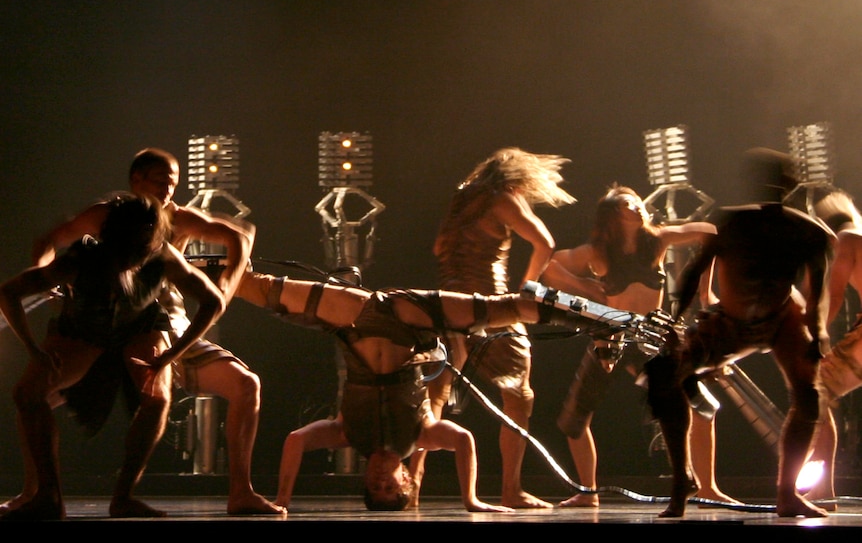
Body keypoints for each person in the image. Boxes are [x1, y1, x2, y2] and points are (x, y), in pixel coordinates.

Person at [9, 147, 283, 517]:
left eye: (173, 182)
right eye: (160, 181)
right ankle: (41, 493)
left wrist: (219, 299)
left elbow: (234, 250)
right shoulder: (97, 233)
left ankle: (148, 494)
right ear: (136, 181)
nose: (168, 188)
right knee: (30, 394)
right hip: (91, 331)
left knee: (184, 391)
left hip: (152, 327)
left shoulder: (168, 244)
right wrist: (44, 314)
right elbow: (33, 263)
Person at [234, 269, 593, 512]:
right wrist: (471, 499)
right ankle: (597, 317)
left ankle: (196, 259)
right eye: (390, 488)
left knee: (259, 288)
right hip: (410, 320)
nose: (379, 481)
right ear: (406, 477)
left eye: (373, 488)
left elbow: (296, 440)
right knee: (503, 307)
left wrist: (282, 497)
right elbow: (464, 440)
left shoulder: (348, 434)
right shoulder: (421, 435)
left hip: (356, 316)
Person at [0, 194, 226, 521]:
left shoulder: (162, 255)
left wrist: (171, 356)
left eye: (142, 249)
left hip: (138, 327)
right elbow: (9, 292)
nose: (135, 258)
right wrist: (33, 349)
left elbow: (212, 301)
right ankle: (48, 495)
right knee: (26, 394)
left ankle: (123, 497)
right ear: (114, 241)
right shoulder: (81, 259)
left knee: (158, 398)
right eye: (129, 250)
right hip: (84, 329)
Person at [642, 148, 835, 518]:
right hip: (729, 322)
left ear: (788, 187)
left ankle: (787, 492)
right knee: (664, 371)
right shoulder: (734, 224)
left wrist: (817, 333)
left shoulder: (808, 233)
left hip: (781, 320)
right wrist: (675, 325)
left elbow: (818, 291)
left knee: (809, 395)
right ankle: (681, 481)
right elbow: (694, 272)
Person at [540, 184, 740, 508]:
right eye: (627, 203)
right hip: (614, 336)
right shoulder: (601, 250)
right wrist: (587, 288)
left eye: (636, 202)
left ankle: (707, 487)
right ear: (613, 215)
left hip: (652, 337)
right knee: (574, 418)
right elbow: (550, 266)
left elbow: (709, 232)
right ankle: (587, 492)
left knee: (701, 408)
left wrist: (705, 293)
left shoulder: (656, 240)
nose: (637, 206)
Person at [409, 147, 577, 509]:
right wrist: (527, 289)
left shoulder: (462, 200)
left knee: (435, 398)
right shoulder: (503, 198)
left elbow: (439, 246)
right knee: (519, 396)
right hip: (488, 305)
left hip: (445, 306)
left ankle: (413, 483)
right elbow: (544, 242)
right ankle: (511, 488)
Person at [805, 189, 862, 509]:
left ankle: (823, 487)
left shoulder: (847, 240)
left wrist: (816, 334)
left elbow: (835, 295)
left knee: (818, 389)